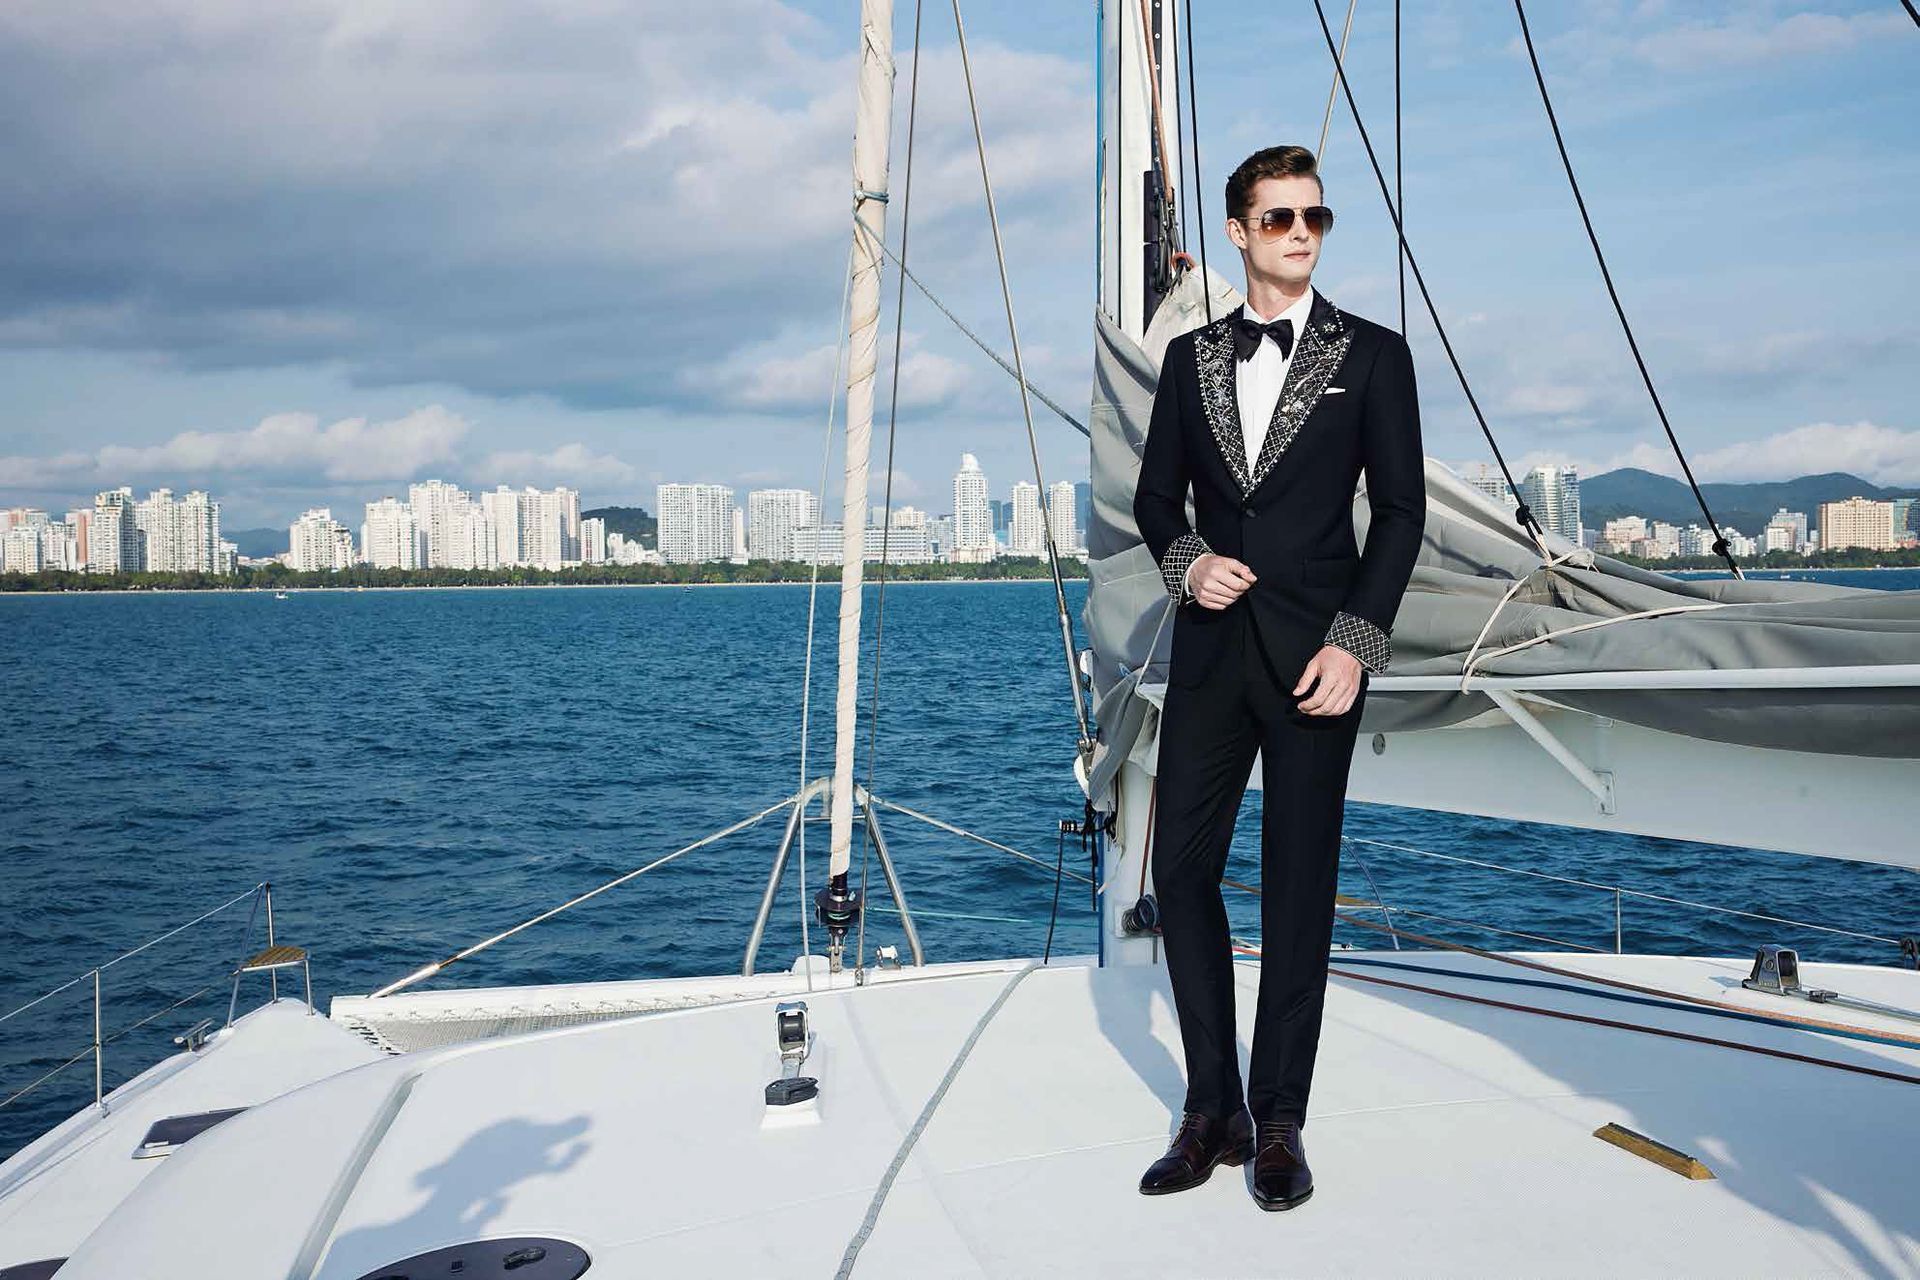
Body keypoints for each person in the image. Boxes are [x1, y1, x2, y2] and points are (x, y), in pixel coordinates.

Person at [1132, 144, 1425, 1211]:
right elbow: (1155, 501)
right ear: (1240, 231)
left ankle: (1281, 1122)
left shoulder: (1375, 356)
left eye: (1316, 216)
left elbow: (1400, 515)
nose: (1303, 231)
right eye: (1282, 216)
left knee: (1300, 893)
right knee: (1182, 874)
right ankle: (1213, 1109)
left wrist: (1357, 641)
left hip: (1318, 659)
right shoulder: (1190, 358)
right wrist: (1189, 563)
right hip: (1210, 657)